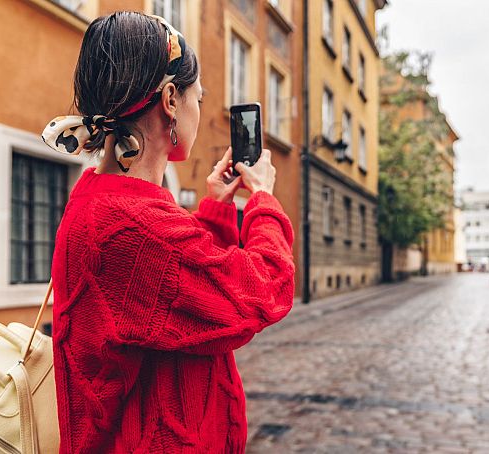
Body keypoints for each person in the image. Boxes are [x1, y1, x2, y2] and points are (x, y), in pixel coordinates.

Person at [43, 12, 295, 453]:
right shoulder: (136, 225)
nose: (200, 109)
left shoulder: (103, 204)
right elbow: (261, 291)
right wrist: (263, 202)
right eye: (199, 97)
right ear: (171, 100)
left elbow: (176, 294)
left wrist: (216, 209)